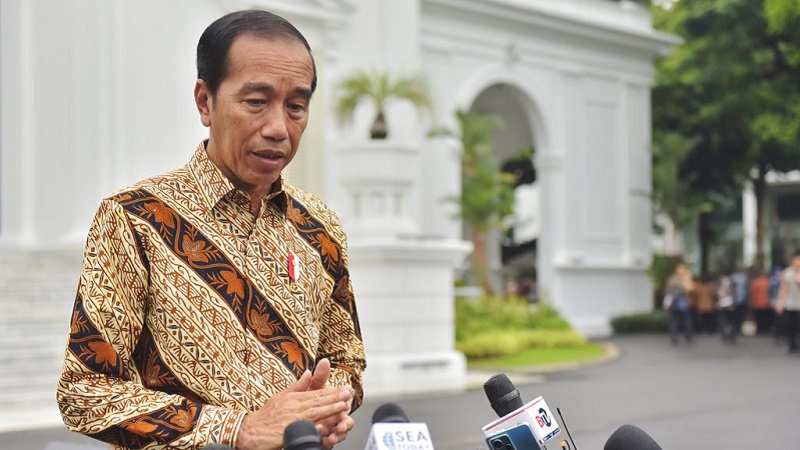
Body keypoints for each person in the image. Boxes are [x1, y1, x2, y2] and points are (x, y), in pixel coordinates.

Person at [56, 10, 366, 450]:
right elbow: (84, 392)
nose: (279, 128)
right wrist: (237, 429)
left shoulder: (321, 227)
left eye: (296, 106)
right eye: (256, 102)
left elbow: (348, 360)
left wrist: (324, 405)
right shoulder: (135, 219)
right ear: (205, 101)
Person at [664, 262, 694, 346]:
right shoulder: (685, 279)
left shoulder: (672, 279)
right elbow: (690, 289)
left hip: (673, 303)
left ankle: (674, 338)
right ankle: (688, 337)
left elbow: (667, 290)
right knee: (686, 321)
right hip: (682, 303)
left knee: (674, 321)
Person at [776, 250, 800, 354]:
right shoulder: (787, 272)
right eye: (797, 259)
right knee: (790, 325)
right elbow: (784, 288)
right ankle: (792, 345)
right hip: (790, 304)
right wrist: (780, 302)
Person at [749, 269, 773, 336]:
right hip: (767, 303)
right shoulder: (769, 282)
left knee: (758, 318)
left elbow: (753, 293)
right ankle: (766, 329)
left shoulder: (756, 282)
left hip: (758, 303)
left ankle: (759, 330)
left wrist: (753, 302)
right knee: (766, 318)